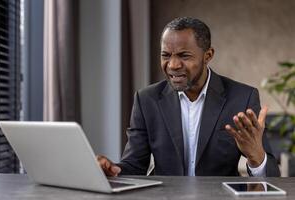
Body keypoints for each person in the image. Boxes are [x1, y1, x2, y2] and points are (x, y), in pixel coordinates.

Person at [97, 17, 280, 177]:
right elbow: (134, 166)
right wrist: (112, 170)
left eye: (184, 56)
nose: (173, 65)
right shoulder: (146, 100)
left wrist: (257, 157)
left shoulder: (242, 98)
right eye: (165, 55)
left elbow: (273, 176)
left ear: (208, 56)